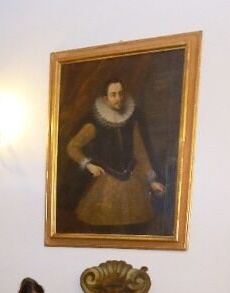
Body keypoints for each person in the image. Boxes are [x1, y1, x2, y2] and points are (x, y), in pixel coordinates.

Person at [67, 78, 165, 228]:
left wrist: (151, 181)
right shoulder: (94, 124)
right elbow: (72, 147)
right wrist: (89, 165)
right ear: (105, 98)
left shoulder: (131, 121)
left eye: (120, 93)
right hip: (107, 183)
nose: (118, 98)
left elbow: (140, 153)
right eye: (113, 95)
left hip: (133, 181)